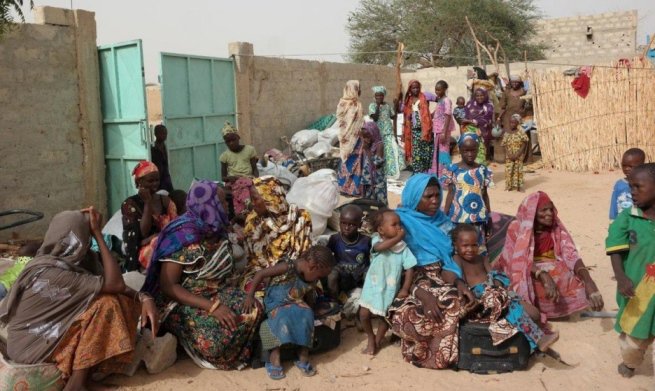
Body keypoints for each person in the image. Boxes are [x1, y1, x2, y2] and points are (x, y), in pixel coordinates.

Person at [0, 208, 158, 391]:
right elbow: (116, 284)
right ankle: (77, 385)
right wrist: (98, 234)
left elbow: (115, 285)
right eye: (86, 235)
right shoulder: (51, 273)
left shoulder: (59, 262)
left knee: (118, 301)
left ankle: (83, 378)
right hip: (31, 347)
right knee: (106, 305)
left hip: (41, 336)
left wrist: (143, 297)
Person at [142, 180, 263, 370]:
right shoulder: (183, 236)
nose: (226, 206)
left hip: (215, 291)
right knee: (214, 338)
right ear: (209, 205)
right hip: (182, 299)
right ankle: (188, 343)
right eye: (222, 202)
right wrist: (212, 307)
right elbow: (169, 287)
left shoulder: (217, 228)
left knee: (254, 308)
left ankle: (248, 348)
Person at [388, 173, 477, 369]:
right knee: (409, 315)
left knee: (459, 301)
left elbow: (452, 257)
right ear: (414, 196)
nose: (435, 201)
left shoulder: (443, 222)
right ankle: (427, 351)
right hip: (410, 281)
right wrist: (423, 295)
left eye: (437, 195)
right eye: (428, 196)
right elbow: (395, 266)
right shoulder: (398, 224)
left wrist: (459, 282)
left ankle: (443, 351)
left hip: (442, 275)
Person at [496, 191, 604, 320]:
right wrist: (543, 275)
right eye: (543, 210)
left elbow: (571, 254)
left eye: (551, 209)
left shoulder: (556, 228)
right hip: (529, 272)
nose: (549, 214)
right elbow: (517, 262)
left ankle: (552, 309)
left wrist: (589, 281)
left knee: (568, 279)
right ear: (532, 213)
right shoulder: (517, 228)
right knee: (526, 284)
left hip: (551, 270)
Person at [452, 224, 559, 352]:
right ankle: (539, 339)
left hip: (496, 292)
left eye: (474, 245)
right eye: (465, 246)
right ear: (455, 245)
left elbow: (493, 273)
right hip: (481, 299)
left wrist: (497, 282)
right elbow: (463, 284)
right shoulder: (457, 259)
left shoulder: (482, 258)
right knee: (513, 310)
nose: (470, 249)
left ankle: (531, 342)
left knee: (534, 313)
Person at [243, 246, 335, 380]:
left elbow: (308, 291)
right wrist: (249, 296)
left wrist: (311, 308)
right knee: (281, 318)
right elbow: (260, 274)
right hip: (276, 301)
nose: (319, 279)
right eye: (320, 276)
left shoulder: (313, 277)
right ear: (312, 267)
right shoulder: (288, 267)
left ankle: (302, 355)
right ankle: (275, 356)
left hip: (294, 301)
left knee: (307, 314)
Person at [606, 163, 655, 378]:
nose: (632, 192)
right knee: (634, 340)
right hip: (638, 291)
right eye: (630, 186)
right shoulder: (627, 218)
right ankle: (630, 363)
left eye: (638, 187)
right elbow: (615, 250)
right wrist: (621, 277)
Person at [359, 209, 416, 355]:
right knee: (364, 314)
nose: (399, 228)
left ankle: (377, 341)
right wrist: (399, 237)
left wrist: (404, 288)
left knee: (384, 316)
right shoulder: (376, 240)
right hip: (372, 286)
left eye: (400, 224)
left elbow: (410, 268)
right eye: (394, 225)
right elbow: (380, 248)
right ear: (381, 230)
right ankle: (371, 338)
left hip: (389, 289)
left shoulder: (403, 248)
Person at [242, 176, 313, 287]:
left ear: (270, 198)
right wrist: (267, 275)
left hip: (294, 272)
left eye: (255, 199)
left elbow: (304, 253)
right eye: (251, 199)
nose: (252, 203)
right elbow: (254, 261)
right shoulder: (253, 221)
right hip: (262, 274)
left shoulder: (300, 218)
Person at [442, 133, 493, 255]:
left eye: (473, 150)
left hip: (477, 216)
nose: (470, 154)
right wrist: (445, 214)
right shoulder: (452, 169)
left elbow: (484, 194)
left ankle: (478, 267)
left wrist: (489, 215)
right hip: (458, 216)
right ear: (460, 150)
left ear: (477, 150)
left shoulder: (483, 170)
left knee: (476, 244)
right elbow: (450, 193)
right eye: (466, 151)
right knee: (458, 245)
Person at [122, 161, 178, 271]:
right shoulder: (130, 204)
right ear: (139, 182)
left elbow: (176, 224)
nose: (155, 184)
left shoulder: (165, 200)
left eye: (157, 180)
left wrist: (160, 236)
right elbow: (142, 233)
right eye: (150, 181)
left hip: (168, 242)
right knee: (154, 244)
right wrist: (148, 203)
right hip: (144, 250)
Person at [326, 204, 371, 299]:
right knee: (332, 275)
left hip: (359, 275)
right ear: (339, 222)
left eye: (352, 224)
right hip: (342, 275)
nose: (346, 227)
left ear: (360, 225)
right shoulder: (335, 239)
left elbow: (371, 258)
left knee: (370, 274)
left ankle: (367, 298)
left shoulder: (366, 241)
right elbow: (326, 256)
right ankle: (333, 299)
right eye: (343, 223)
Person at [369, 85, 405, 179]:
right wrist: (377, 106)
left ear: (384, 95)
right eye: (377, 95)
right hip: (378, 134)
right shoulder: (372, 106)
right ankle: (380, 173)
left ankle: (392, 173)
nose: (379, 97)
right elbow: (375, 118)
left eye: (381, 95)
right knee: (380, 154)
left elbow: (394, 117)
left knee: (392, 152)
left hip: (388, 133)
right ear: (374, 96)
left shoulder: (387, 106)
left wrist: (395, 105)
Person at [401, 80, 437, 173]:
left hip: (425, 131)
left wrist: (432, 115)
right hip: (414, 131)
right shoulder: (408, 100)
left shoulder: (425, 96)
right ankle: (417, 173)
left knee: (426, 152)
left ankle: (425, 173)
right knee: (416, 153)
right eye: (413, 88)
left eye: (417, 87)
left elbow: (439, 100)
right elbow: (403, 113)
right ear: (410, 89)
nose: (416, 89)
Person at [336, 80, 365, 196]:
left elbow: (360, 121)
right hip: (347, 139)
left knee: (357, 163)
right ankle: (343, 187)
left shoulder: (358, 104)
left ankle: (354, 189)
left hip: (357, 138)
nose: (360, 91)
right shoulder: (343, 103)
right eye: (358, 88)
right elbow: (341, 120)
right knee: (346, 161)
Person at [609, 148, 645, 220]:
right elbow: (614, 205)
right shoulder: (619, 184)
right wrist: (612, 220)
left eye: (631, 166)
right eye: (624, 165)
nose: (626, 169)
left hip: (639, 222)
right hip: (621, 222)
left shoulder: (647, 185)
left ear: (642, 166)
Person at [430, 80, 456, 178]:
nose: (437, 92)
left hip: (443, 131)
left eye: (439, 90)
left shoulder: (446, 100)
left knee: (444, 153)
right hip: (438, 131)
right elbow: (436, 113)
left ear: (444, 89)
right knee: (438, 153)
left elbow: (448, 115)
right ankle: (439, 174)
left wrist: (444, 132)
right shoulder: (440, 100)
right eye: (436, 90)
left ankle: (446, 177)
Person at [461, 88, 494, 163]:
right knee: (471, 149)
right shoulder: (470, 104)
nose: (479, 97)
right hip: (469, 131)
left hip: (483, 132)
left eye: (481, 95)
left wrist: (470, 121)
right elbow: (464, 118)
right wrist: (468, 122)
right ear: (474, 96)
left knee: (481, 150)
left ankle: (480, 167)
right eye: (477, 95)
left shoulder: (489, 106)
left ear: (485, 95)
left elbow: (486, 120)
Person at [361, 121, 388, 204]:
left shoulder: (379, 145)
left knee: (379, 202)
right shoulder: (369, 144)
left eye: (368, 136)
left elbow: (377, 163)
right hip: (368, 179)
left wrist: (367, 150)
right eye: (364, 137)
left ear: (374, 133)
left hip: (377, 180)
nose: (366, 139)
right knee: (368, 202)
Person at [501, 114, 530, 192]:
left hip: (518, 155)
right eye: (510, 122)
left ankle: (518, 187)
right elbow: (504, 145)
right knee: (509, 170)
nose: (512, 124)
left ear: (517, 124)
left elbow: (525, 143)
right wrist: (508, 154)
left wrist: (518, 153)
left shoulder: (521, 132)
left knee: (518, 170)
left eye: (514, 123)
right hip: (509, 156)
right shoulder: (507, 133)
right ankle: (508, 186)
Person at [150, 124, 174, 193]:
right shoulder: (153, 148)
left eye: (165, 133)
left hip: (166, 176)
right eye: (162, 133)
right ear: (156, 134)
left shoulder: (164, 146)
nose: (164, 135)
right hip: (158, 177)